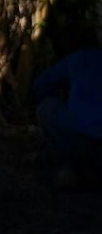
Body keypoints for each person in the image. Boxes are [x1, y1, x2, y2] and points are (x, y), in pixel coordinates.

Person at [34, 47, 102, 176]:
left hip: (81, 135)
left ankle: (67, 165)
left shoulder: (81, 58)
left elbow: (41, 85)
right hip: (85, 132)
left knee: (46, 107)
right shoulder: (81, 58)